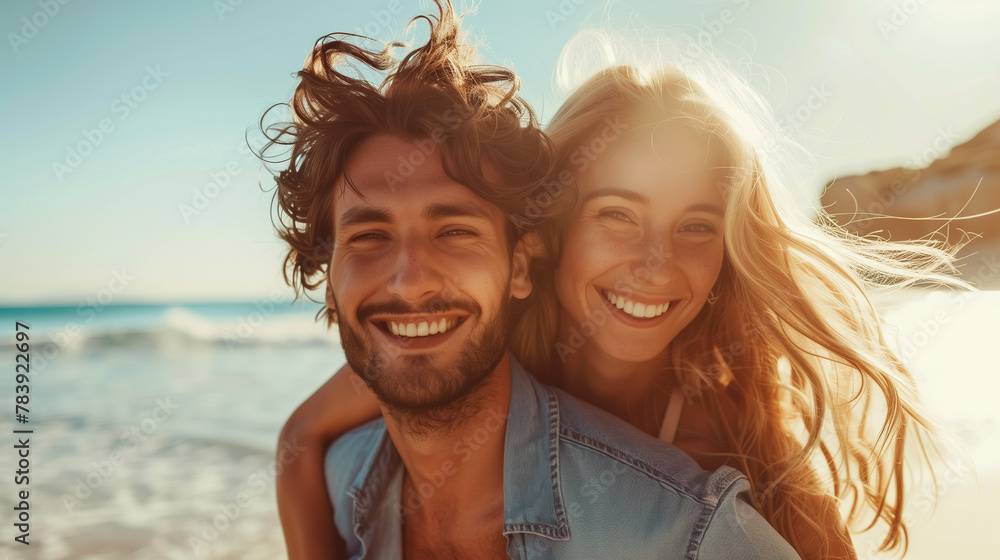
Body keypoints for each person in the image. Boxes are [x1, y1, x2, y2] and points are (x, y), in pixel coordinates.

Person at [274, 4, 967, 560]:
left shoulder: (724, 452)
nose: (656, 265)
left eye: (696, 226)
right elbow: (301, 438)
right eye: (618, 215)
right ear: (547, 232)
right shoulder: (467, 339)